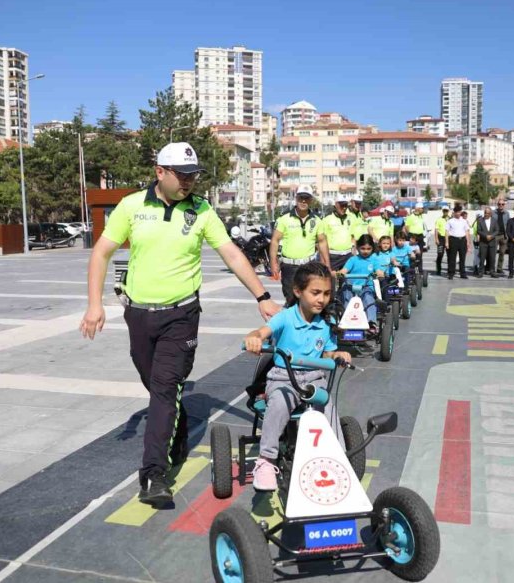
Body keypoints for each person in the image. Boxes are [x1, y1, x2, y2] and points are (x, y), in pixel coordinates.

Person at [79, 142, 280, 507]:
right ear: (160, 172)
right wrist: (95, 305)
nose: (189, 182)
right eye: (182, 175)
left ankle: (154, 474)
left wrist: (262, 296)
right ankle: (176, 420)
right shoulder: (132, 206)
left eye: (193, 175)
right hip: (139, 314)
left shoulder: (201, 210)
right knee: (156, 387)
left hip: (181, 315)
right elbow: (102, 252)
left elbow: (232, 253)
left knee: (164, 388)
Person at [243, 262, 352, 492]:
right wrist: (254, 338)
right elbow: (261, 332)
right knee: (279, 404)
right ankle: (266, 460)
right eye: (315, 293)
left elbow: (326, 353)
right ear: (298, 291)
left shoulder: (325, 323)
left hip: (314, 377)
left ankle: (337, 459)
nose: (321, 299)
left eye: (326, 293)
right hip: (283, 378)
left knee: (327, 407)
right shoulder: (285, 318)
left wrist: (338, 354)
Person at [270, 185, 327, 305]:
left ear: (311, 200)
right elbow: (275, 240)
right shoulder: (284, 219)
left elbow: (322, 242)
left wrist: (326, 264)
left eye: (307, 198)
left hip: (309, 266)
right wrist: (273, 263)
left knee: (309, 299)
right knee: (291, 300)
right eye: (301, 197)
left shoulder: (317, 220)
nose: (303, 201)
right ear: (296, 198)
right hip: (289, 267)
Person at [337, 235, 383, 331]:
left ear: (372, 248)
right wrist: (340, 273)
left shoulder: (374, 260)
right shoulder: (353, 259)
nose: (365, 251)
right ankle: (344, 321)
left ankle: (371, 322)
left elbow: (379, 270)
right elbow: (344, 270)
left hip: (366, 286)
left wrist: (379, 273)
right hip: (350, 286)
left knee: (368, 299)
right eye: (362, 248)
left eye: (368, 249)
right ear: (358, 248)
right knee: (346, 298)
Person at [316, 195, 355, 272]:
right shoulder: (326, 220)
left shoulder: (351, 218)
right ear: (336, 204)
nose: (344, 208)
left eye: (345, 205)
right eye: (341, 205)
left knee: (346, 282)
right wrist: (324, 261)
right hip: (332, 256)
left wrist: (353, 252)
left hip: (348, 256)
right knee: (331, 281)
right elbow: (322, 241)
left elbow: (353, 237)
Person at [446, 205, 471, 280]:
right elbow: (446, 232)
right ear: (454, 212)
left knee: (462, 258)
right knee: (452, 258)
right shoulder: (450, 221)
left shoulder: (464, 221)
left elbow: (467, 231)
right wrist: (447, 242)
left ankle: (462, 273)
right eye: (457, 212)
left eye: (459, 212)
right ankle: (451, 273)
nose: (458, 213)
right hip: (453, 240)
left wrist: (468, 242)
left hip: (462, 240)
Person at [473, 206, 500, 278]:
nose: (486, 214)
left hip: (492, 242)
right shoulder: (480, 220)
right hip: (483, 242)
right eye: (485, 213)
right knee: (482, 258)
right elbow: (479, 230)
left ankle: (492, 272)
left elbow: (497, 230)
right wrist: (486, 236)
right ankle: (481, 272)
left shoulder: (494, 220)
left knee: (492, 258)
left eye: (488, 213)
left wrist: (491, 236)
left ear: (490, 213)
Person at [494, 199, 508, 273]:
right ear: (497, 205)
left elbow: (508, 224)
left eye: (502, 204)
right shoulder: (493, 213)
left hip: (504, 236)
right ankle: (491, 268)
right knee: (493, 253)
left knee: (502, 253)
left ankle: (499, 268)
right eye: (499, 204)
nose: (501, 205)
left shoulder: (507, 213)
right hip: (495, 235)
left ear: (504, 205)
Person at [434, 207, 449, 275]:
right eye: (444, 211)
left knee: (450, 255)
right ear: (442, 211)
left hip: (449, 238)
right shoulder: (439, 219)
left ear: (448, 211)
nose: (445, 212)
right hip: (441, 238)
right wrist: (436, 239)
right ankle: (438, 269)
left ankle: (450, 269)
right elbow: (436, 230)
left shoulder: (451, 219)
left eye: (446, 211)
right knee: (440, 254)